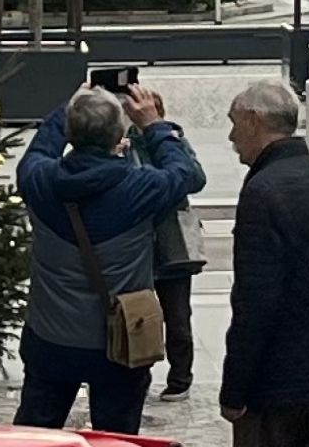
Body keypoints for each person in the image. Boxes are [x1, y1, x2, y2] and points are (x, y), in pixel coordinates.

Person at [16, 83, 203, 434]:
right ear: (120, 135)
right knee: (116, 437)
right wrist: (154, 124)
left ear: (70, 133)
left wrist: (67, 109)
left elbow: (40, 148)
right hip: (120, 342)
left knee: (34, 436)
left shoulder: (39, 180)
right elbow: (186, 173)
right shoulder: (140, 187)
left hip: (51, 338)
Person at [220, 80, 309, 447]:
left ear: (253, 121)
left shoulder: (263, 193)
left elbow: (255, 303)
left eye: (234, 123)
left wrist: (234, 388)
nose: (231, 136)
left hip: (274, 380)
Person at [130, 90, 207, 404]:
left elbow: (195, 178)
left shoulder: (174, 140)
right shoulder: (124, 143)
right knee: (138, 314)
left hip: (171, 240)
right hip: (139, 242)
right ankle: (139, 374)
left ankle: (180, 377)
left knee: (177, 316)